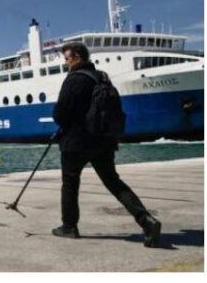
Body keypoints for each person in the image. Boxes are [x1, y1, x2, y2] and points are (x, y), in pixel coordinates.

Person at [52, 42, 161, 247]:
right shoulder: (101, 77)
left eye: (67, 59)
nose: (66, 63)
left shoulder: (73, 79)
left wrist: (64, 122)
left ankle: (69, 227)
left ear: (77, 57)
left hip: (76, 143)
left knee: (70, 183)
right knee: (113, 182)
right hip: (103, 140)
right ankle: (146, 220)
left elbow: (60, 113)